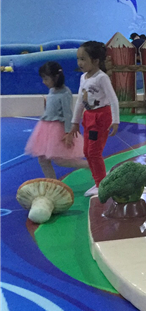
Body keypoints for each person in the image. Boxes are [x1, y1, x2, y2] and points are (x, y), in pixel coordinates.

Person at [69, 41, 120, 197]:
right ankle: (98, 181)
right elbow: (80, 100)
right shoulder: (83, 78)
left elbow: (113, 99)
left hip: (101, 117)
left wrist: (115, 120)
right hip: (89, 116)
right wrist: (75, 122)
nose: (80, 63)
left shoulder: (101, 78)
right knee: (87, 151)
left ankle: (101, 184)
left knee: (94, 152)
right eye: (78, 59)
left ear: (96, 61)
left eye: (83, 59)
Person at [25, 62, 89, 179]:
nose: (43, 82)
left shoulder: (65, 93)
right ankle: (52, 182)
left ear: (56, 77)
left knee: (61, 161)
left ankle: (89, 165)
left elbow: (68, 114)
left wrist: (68, 133)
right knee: (43, 159)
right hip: (45, 128)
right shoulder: (52, 90)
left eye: (46, 79)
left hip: (57, 129)